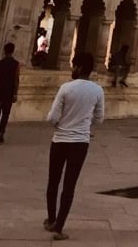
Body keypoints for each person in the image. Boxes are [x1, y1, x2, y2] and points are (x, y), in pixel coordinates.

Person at [44, 51, 104, 241]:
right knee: (69, 186)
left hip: (60, 140)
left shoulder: (66, 88)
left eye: (73, 65)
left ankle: (51, 218)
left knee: (53, 181)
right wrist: (83, 126)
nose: (72, 68)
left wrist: (62, 126)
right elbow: (99, 119)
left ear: (78, 68)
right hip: (80, 143)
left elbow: (52, 117)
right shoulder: (97, 91)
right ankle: (59, 226)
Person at [0, 42, 20, 144]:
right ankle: (1, 133)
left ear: (4, 50)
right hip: (9, 93)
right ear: (13, 51)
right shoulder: (16, 64)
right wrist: (15, 93)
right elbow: (16, 79)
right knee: (5, 115)